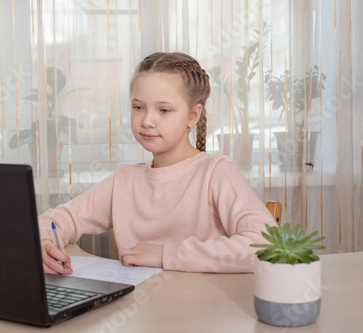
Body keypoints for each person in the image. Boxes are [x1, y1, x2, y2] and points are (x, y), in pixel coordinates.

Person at [38, 52, 276, 274]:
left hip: (202, 311)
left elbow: (266, 246)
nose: (147, 121)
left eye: (163, 110)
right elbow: (58, 220)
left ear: (193, 116)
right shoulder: (124, 181)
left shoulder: (216, 173)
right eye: (138, 107)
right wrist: (44, 241)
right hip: (139, 312)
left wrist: (166, 254)